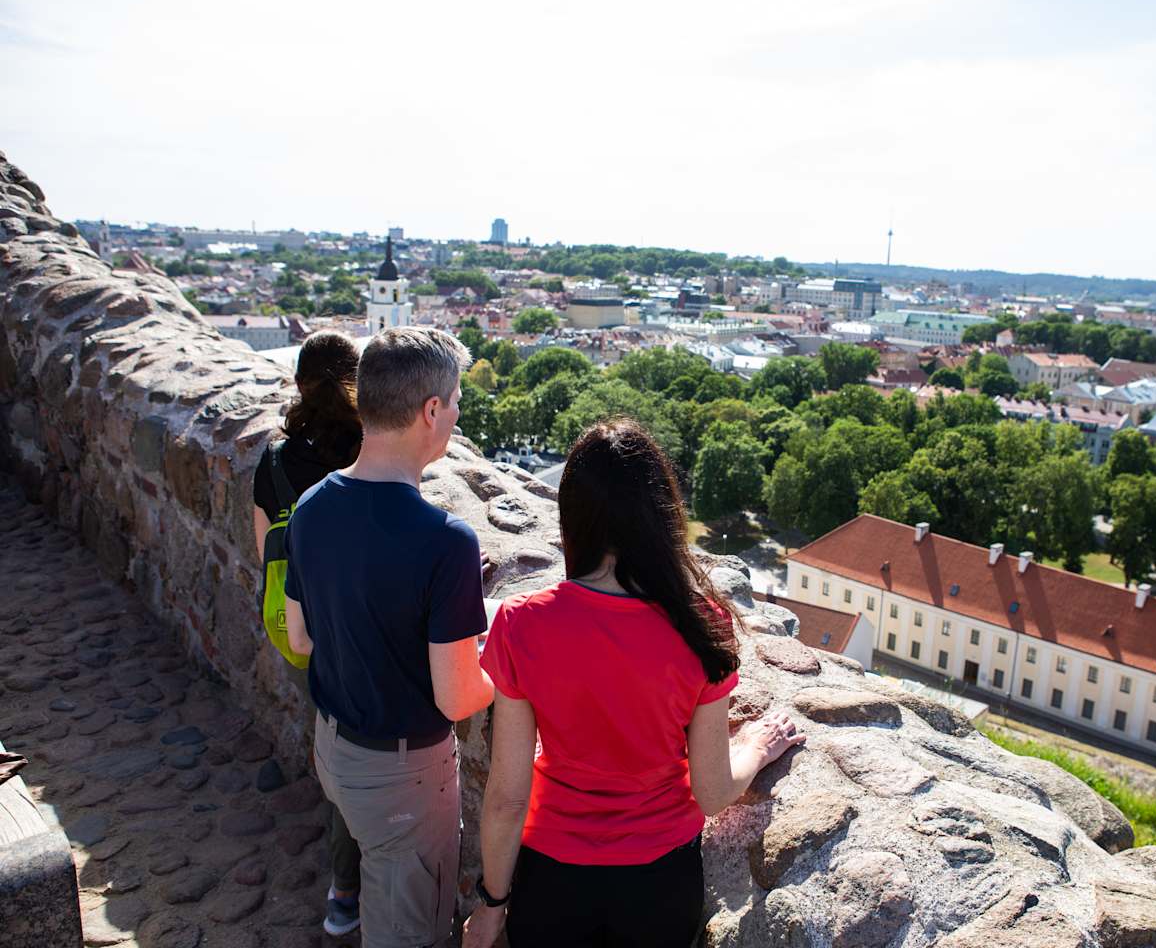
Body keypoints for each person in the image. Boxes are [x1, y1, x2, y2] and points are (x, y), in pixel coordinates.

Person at [464, 419, 805, 948]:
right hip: (659, 884)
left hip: (552, 878)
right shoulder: (703, 624)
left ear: (571, 517)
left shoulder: (522, 623)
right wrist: (757, 748)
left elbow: (508, 796)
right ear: (660, 517)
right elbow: (712, 792)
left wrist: (491, 906)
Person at [284, 326, 495, 948]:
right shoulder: (445, 541)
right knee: (407, 933)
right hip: (402, 777)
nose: (455, 414)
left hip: (336, 750)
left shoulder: (313, 503)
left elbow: (301, 635)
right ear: (431, 411)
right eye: (454, 402)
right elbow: (457, 699)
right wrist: (504, 664)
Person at [250, 330, 365, 938]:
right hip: (363, 623)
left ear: (298, 384)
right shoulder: (368, 449)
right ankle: (351, 885)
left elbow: (263, 551)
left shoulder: (272, 461)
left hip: (300, 629)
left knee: (333, 740)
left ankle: (344, 889)